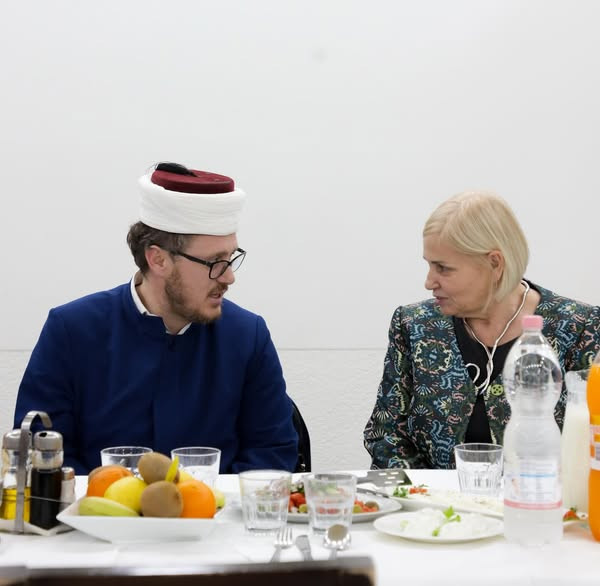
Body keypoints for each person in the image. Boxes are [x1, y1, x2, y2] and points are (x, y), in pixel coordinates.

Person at [14, 162, 298, 474]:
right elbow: (44, 456)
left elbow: (272, 453)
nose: (229, 277)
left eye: (231, 258)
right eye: (215, 262)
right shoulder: (72, 330)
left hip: (216, 506)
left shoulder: (247, 336)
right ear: (158, 259)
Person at [364, 191, 600, 469]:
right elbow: (386, 435)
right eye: (429, 265)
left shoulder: (579, 327)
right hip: (431, 498)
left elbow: (591, 439)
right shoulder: (414, 325)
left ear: (494, 263)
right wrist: (430, 493)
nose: (429, 282)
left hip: (541, 494)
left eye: (443, 268)